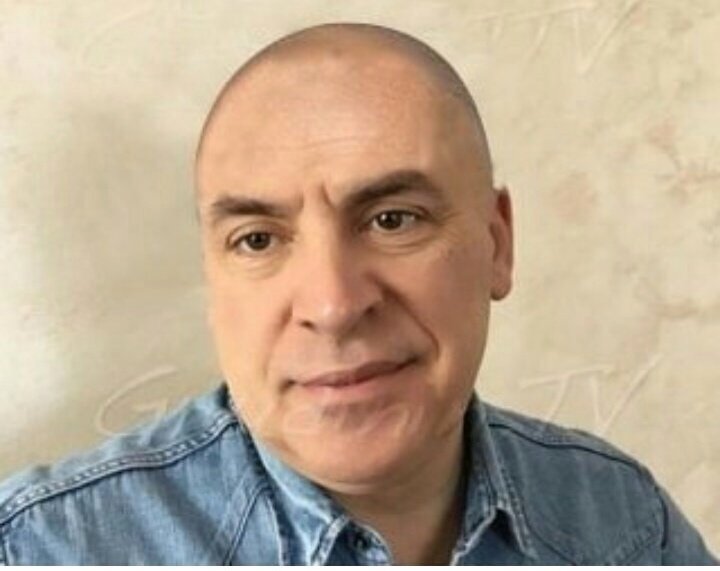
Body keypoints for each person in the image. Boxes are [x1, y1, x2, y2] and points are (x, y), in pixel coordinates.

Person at [0, 23, 716, 565]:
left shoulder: (624, 526)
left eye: (393, 220)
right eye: (258, 239)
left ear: (497, 244)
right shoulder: (40, 548)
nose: (334, 305)